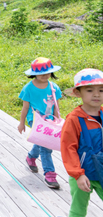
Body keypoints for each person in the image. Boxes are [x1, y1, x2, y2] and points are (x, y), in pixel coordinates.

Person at [61, 69, 103, 216]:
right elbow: (68, 148)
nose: (97, 94)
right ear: (78, 93)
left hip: (102, 170)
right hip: (82, 173)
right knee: (78, 209)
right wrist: (78, 174)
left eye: (101, 90)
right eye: (90, 90)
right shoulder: (74, 119)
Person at [17, 57, 62, 189]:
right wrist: (21, 123)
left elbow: (56, 106)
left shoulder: (54, 87)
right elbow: (25, 107)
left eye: (48, 72)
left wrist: (57, 120)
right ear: (34, 73)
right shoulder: (28, 88)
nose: (45, 75)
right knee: (45, 146)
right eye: (42, 73)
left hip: (50, 119)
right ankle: (50, 173)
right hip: (35, 119)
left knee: (42, 141)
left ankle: (31, 157)